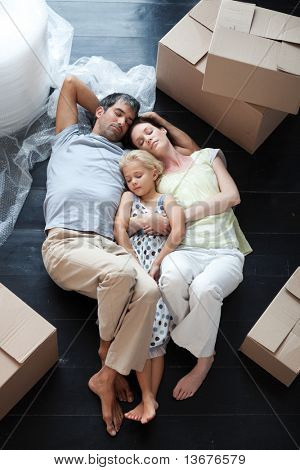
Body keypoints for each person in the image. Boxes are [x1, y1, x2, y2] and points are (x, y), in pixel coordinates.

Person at [41, 75, 165, 437]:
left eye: (128, 121)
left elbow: (181, 154)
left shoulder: (126, 157)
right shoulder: (70, 137)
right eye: (118, 114)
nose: (123, 122)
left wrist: (151, 126)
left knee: (150, 291)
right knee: (124, 277)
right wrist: (107, 110)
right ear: (98, 111)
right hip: (67, 243)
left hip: (106, 247)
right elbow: (70, 84)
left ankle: (107, 373)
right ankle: (108, 355)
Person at [126, 113, 252, 401]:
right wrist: (153, 220)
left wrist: (182, 214)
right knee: (169, 278)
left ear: (162, 130)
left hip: (224, 250)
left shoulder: (207, 157)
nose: (148, 139)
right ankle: (199, 333)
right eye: (140, 142)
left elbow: (231, 196)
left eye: (149, 131)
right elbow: (155, 218)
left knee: (204, 289)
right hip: (186, 250)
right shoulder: (158, 182)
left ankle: (203, 359)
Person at [114, 149, 185, 423]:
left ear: (154, 172)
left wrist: (157, 263)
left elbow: (178, 232)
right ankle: (149, 400)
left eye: (138, 175)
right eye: (127, 178)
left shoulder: (168, 200)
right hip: (134, 269)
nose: (132, 182)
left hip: (160, 268)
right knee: (139, 332)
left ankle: (148, 399)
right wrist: (133, 256)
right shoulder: (128, 198)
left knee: (156, 336)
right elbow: (119, 227)